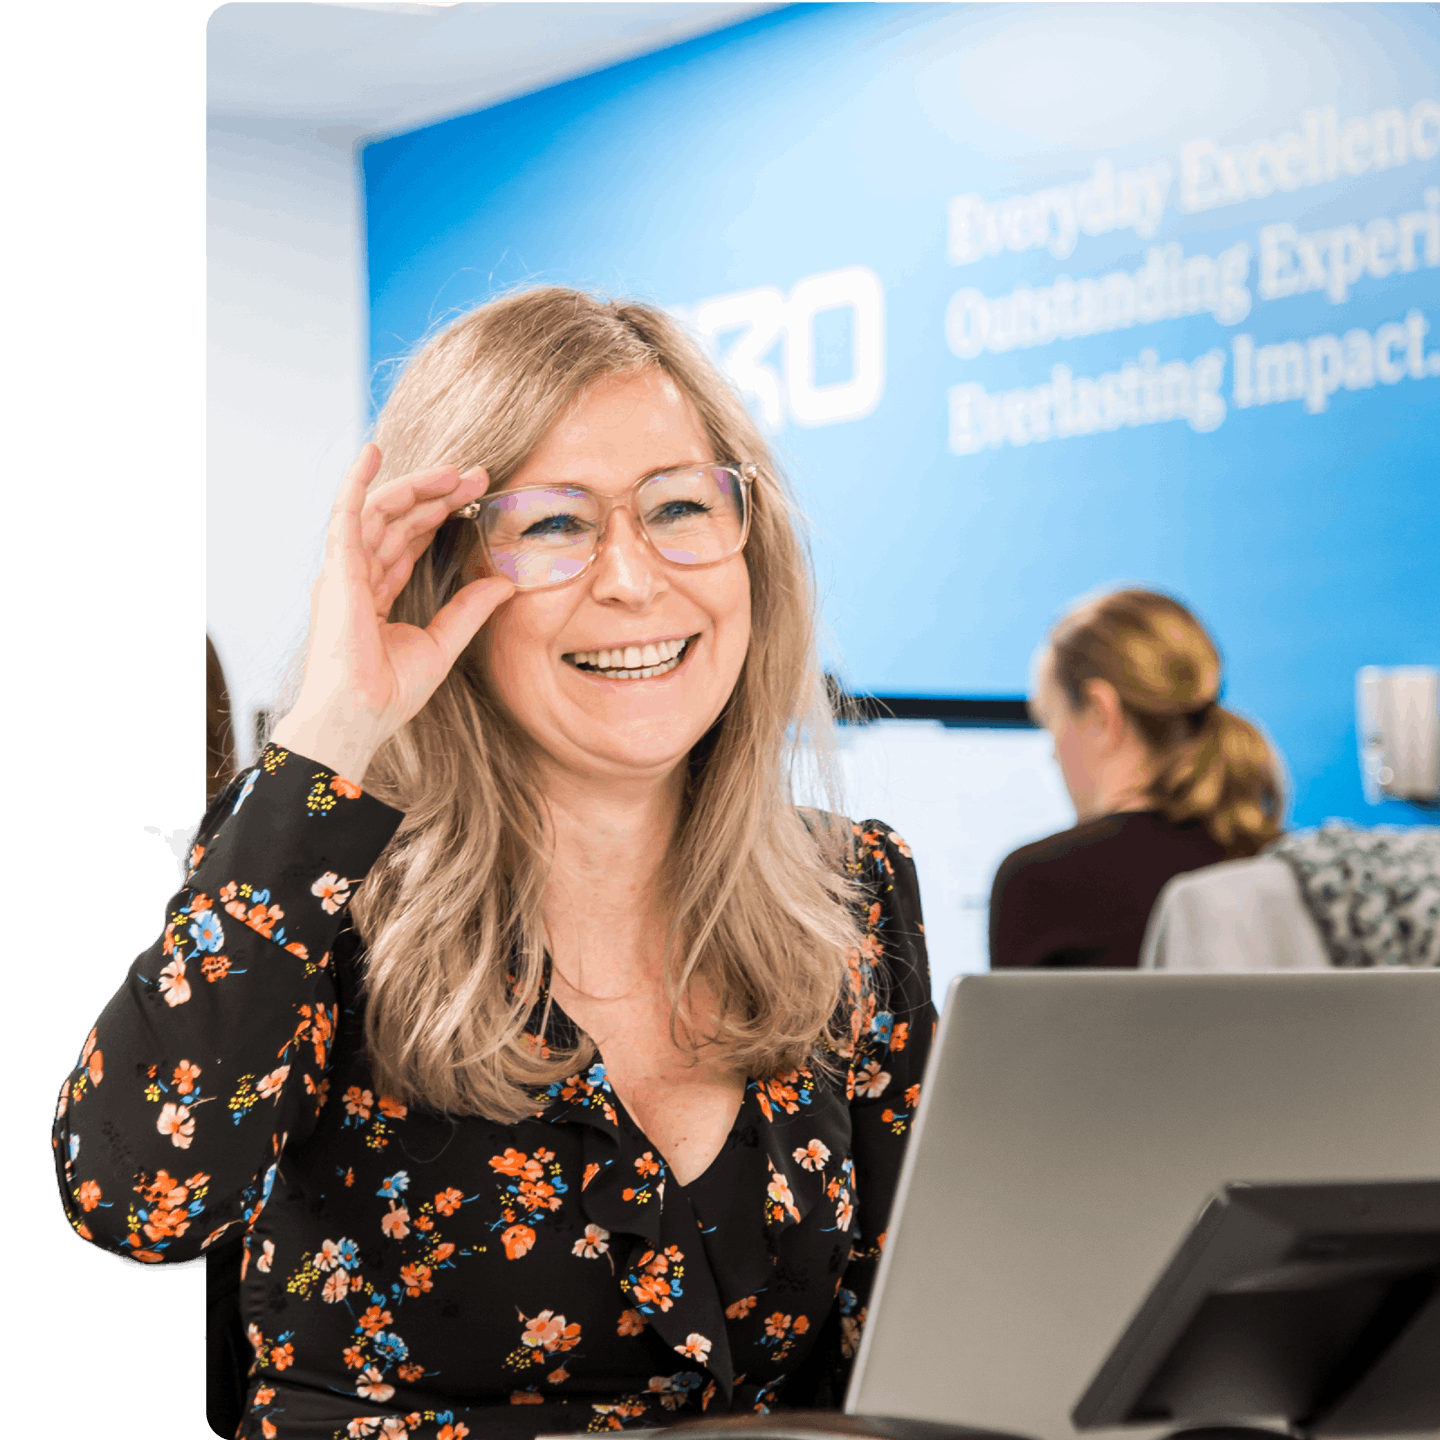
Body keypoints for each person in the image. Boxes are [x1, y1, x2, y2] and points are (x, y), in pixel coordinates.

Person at [52, 288, 934, 1440]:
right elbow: (139, 1204)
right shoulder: (312, 885)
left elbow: (900, 1336)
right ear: (437, 570)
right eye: (556, 524)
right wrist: (334, 730)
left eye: (678, 507)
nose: (631, 579)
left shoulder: (851, 889)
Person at [989, 588, 1282, 970]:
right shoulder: (1279, 865)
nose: (1052, 753)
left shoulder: (1040, 882)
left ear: (1100, 711)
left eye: (1051, 722)